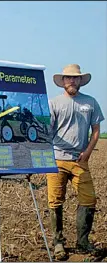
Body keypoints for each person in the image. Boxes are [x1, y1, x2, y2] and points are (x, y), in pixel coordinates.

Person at [47, 64, 105, 260]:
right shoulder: (54, 103)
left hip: (80, 161)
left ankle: (83, 242)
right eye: (68, 78)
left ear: (81, 80)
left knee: (89, 199)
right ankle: (58, 243)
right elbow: (48, 131)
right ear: (63, 81)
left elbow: (96, 130)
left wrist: (88, 152)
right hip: (57, 160)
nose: (72, 81)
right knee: (55, 201)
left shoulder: (90, 102)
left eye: (75, 78)